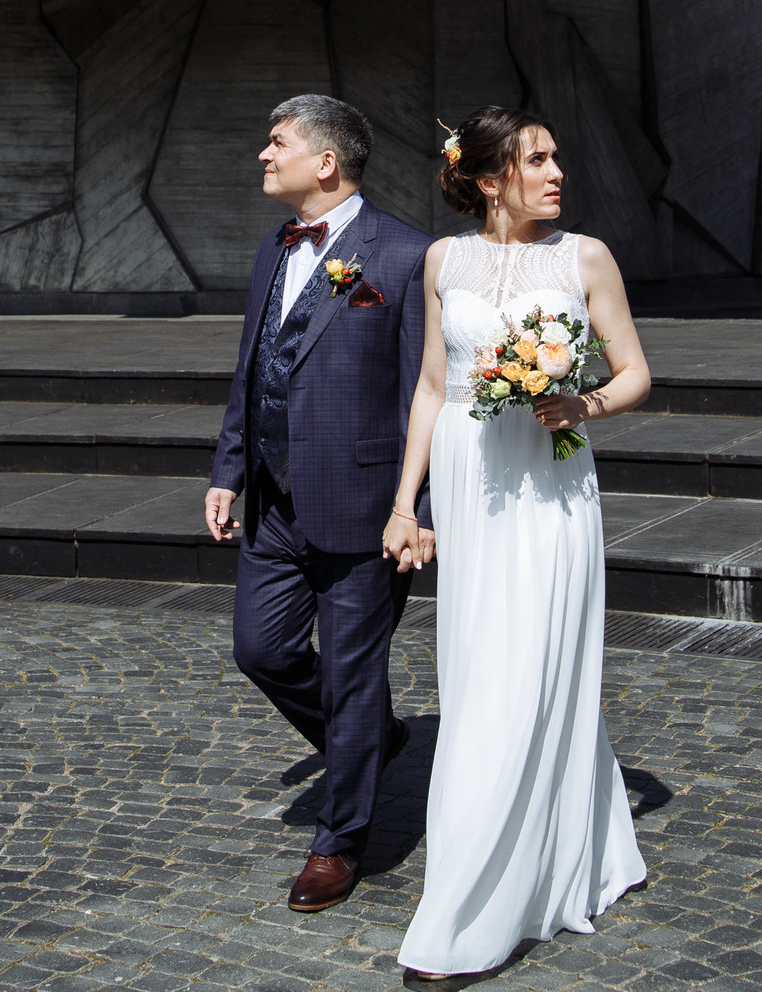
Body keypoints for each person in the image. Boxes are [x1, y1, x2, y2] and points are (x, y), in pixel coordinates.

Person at [382, 105, 651, 981]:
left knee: (531, 667)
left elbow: (636, 370)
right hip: (468, 482)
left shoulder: (585, 257)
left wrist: (584, 404)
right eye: (537, 158)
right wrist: (404, 502)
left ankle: (474, 907)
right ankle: (540, 835)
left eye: (557, 155)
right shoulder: (441, 259)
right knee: (477, 671)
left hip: (551, 485)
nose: (557, 171)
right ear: (490, 178)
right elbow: (431, 385)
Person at [205, 93, 434, 914]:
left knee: (351, 672)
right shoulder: (274, 248)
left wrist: (418, 507)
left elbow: (426, 394)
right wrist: (228, 468)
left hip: (367, 507)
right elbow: (252, 368)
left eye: (276, 143)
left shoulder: (406, 256)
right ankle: (370, 738)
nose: (263, 156)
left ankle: (339, 840)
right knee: (261, 650)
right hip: (273, 503)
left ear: (325, 161)